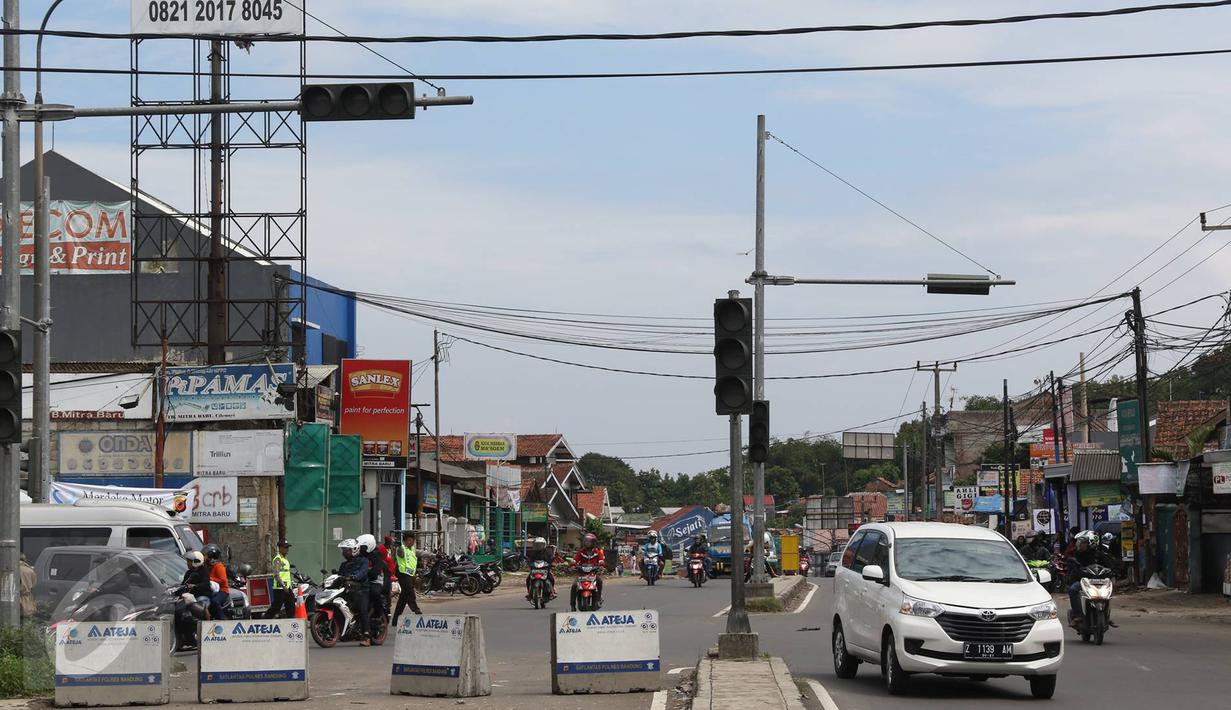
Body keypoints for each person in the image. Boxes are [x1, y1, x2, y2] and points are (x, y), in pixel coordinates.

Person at [1065, 530, 1117, 627]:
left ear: (1091, 543)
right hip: (1084, 581)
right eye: (1080, 543)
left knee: (1108, 593)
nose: (1080, 545)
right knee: (1072, 590)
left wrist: (1112, 575)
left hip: (1099, 581)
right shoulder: (1077, 554)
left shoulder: (1099, 554)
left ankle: (1107, 616)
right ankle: (1078, 615)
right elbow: (1071, 568)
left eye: (1083, 543)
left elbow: (1110, 566)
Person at [337, 538, 371, 645]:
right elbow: (340, 575)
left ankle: (367, 636)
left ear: (355, 549)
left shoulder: (363, 561)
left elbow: (363, 573)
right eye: (343, 550)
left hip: (362, 589)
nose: (344, 552)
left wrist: (354, 576)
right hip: (347, 590)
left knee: (362, 609)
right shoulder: (344, 564)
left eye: (346, 550)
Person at [391, 531, 423, 626]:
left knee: (403, 599)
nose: (413, 542)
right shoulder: (402, 549)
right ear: (407, 540)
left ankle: (395, 620)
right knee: (410, 592)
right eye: (411, 540)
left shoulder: (412, 550)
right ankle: (415, 610)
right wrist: (396, 546)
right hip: (403, 574)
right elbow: (398, 552)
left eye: (413, 541)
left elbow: (422, 553)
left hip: (410, 575)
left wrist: (434, 556)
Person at [570, 533, 606, 612]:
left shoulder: (597, 552)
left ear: (593, 543)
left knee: (599, 582)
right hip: (581, 574)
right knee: (574, 585)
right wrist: (573, 565)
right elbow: (575, 560)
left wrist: (601, 566)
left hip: (592, 574)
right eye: (586, 541)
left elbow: (601, 560)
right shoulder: (581, 551)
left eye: (589, 542)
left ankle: (598, 599)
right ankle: (572, 605)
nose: (587, 543)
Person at [357, 534, 385, 627]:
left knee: (374, 592)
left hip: (375, 581)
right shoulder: (359, 557)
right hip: (361, 581)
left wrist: (366, 574)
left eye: (362, 547)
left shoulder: (376, 556)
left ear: (368, 546)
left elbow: (374, 573)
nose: (360, 549)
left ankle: (378, 614)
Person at [266, 540, 296, 619]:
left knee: (291, 606)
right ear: (280, 548)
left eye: (288, 547)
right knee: (276, 607)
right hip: (280, 588)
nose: (287, 549)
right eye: (285, 547)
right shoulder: (278, 559)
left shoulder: (285, 559)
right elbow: (276, 574)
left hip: (287, 587)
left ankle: (291, 623)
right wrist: (283, 586)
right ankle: (264, 621)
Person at [202, 544, 230, 621]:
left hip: (222, 591)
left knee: (214, 602)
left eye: (205, 555)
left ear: (211, 556)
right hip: (212, 591)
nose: (204, 557)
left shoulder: (218, 566)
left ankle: (221, 620)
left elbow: (223, 581)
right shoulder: (208, 567)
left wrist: (210, 579)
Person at [378, 535, 397, 614]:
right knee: (386, 594)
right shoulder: (383, 550)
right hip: (384, 578)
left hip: (385, 577)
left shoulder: (388, 551)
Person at [19, 554, 36, 620]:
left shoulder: (13, 569)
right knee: (27, 621)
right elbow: (33, 584)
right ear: (25, 560)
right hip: (27, 599)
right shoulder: (30, 570)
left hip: (16, 599)